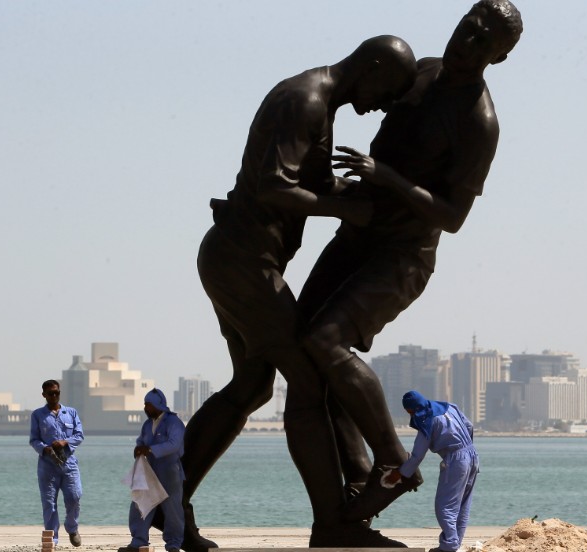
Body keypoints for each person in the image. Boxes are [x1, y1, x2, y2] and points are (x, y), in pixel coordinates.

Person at [181, 35, 417, 551]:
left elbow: (309, 184)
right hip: (244, 264)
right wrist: (345, 210)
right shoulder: (305, 100)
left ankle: (168, 504)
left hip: (238, 260)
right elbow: (272, 186)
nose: (384, 105)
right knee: (310, 379)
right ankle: (333, 525)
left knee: (251, 386)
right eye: (389, 90)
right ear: (371, 66)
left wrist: (371, 191)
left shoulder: (321, 107)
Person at [296, 0, 523, 522]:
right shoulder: (422, 71)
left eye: (483, 40)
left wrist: (386, 177)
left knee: (324, 341)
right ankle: (352, 500)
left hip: (402, 256)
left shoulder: (478, 122)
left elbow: (453, 215)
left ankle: (394, 461)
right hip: (357, 234)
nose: (467, 41)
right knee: (305, 354)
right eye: (468, 27)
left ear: (499, 57)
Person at [385, 391, 478, 552]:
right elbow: (469, 426)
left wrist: (399, 473)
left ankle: (449, 546)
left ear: (410, 410)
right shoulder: (450, 407)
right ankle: (454, 543)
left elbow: (417, 456)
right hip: (473, 455)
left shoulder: (426, 421)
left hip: (456, 460)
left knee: (444, 506)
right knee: (462, 504)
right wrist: (466, 447)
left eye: (409, 412)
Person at [122, 389, 186, 552]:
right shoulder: (147, 424)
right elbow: (141, 441)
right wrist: (138, 449)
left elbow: (174, 444)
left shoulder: (173, 422)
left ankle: (173, 544)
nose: (145, 408)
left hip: (169, 473)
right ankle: (138, 541)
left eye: (148, 405)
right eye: (145, 404)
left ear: (158, 405)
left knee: (172, 510)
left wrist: (149, 450)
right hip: (149, 473)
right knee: (140, 505)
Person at [29, 379, 84, 547]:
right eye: (50, 393)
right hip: (47, 465)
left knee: (75, 496)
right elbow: (34, 440)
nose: (54, 396)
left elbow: (79, 435)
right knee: (49, 503)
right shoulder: (38, 415)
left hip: (69, 464)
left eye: (57, 393)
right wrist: (45, 448)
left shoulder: (71, 413)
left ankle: (72, 527)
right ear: (44, 395)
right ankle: (52, 538)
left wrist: (65, 442)